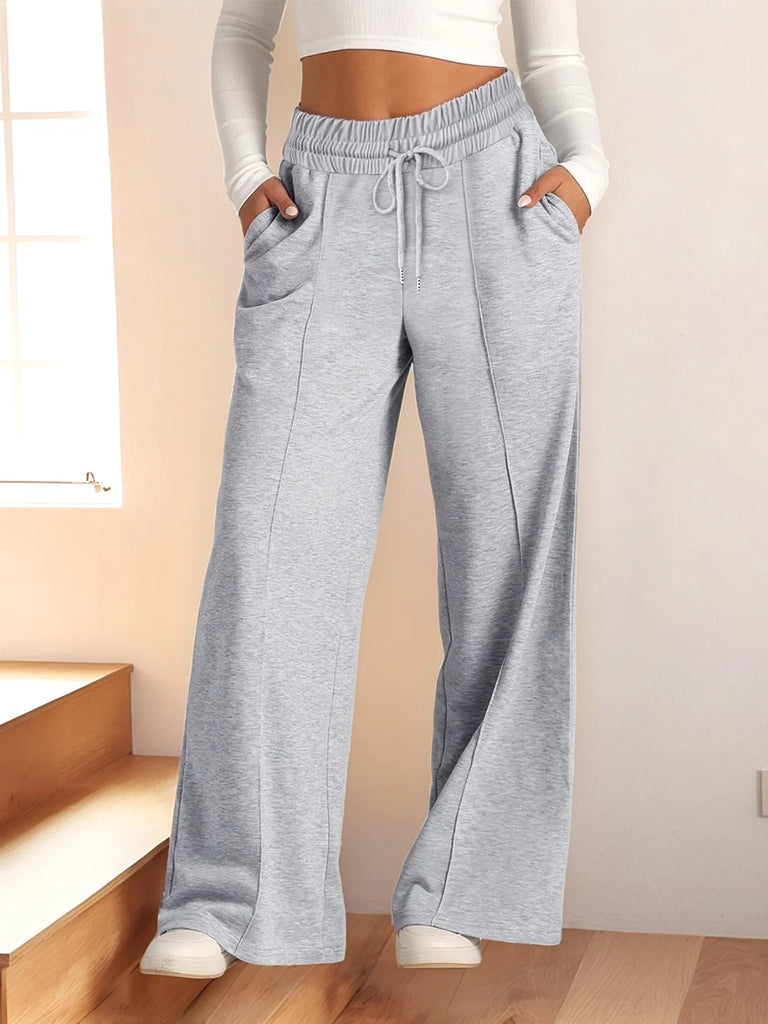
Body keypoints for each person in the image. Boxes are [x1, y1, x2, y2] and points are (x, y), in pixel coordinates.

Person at [140, 0, 609, 979]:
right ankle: (230, 897)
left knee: (510, 555)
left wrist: (588, 171)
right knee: (268, 550)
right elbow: (243, 31)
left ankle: (462, 889)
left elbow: (551, 52)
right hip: (320, 201)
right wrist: (245, 173)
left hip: (499, 194)